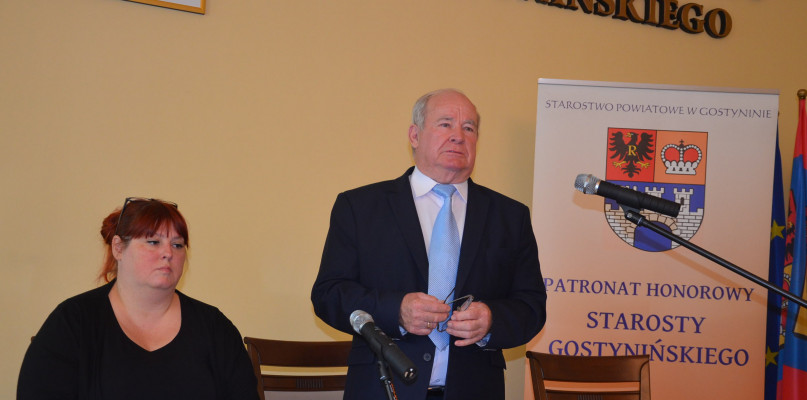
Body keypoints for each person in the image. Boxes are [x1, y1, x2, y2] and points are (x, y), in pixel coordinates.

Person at [311, 89, 547, 400]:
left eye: (469, 128)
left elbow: (531, 306)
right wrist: (396, 311)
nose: (458, 136)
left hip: (475, 390)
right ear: (415, 135)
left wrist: (491, 320)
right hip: (382, 388)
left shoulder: (510, 216)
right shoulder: (360, 207)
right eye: (445, 124)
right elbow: (329, 294)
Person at [17, 198, 258, 400]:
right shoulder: (72, 323)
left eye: (177, 245)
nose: (168, 253)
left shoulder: (215, 329)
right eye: (153, 242)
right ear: (118, 248)